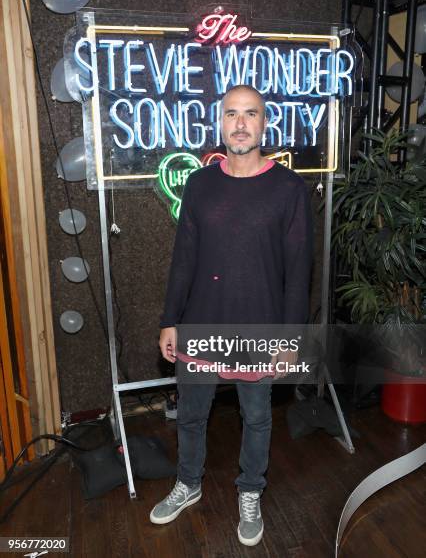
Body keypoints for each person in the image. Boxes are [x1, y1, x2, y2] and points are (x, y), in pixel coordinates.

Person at [150, 85, 313, 547]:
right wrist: (170, 318)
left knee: (257, 418)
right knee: (191, 416)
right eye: (231, 114)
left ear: (265, 123)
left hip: (260, 325)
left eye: (251, 114)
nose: (240, 123)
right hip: (201, 322)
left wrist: (289, 339)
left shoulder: (288, 188)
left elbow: (299, 271)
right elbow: (183, 258)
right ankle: (189, 483)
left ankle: (250, 491)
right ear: (220, 122)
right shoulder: (199, 184)